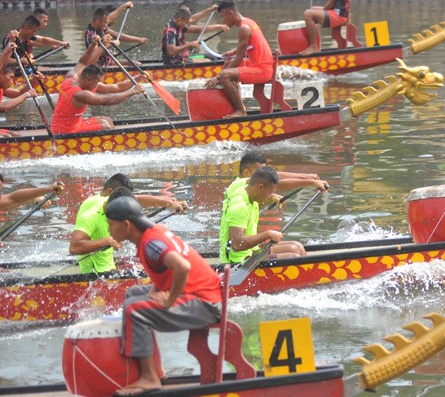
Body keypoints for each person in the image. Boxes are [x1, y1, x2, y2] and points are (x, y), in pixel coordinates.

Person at [105, 194, 221, 396]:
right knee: (133, 293)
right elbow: (167, 270)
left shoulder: (151, 244)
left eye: (111, 225)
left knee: (134, 310)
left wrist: (169, 299)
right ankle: (154, 369)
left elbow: (182, 267)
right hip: (201, 294)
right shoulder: (154, 232)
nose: (109, 230)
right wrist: (158, 290)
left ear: (126, 225)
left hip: (205, 304)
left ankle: (150, 378)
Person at [70, 173, 188, 275]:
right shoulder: (91, 215)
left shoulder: (109, 199)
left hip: (109, 266)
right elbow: (74, 247)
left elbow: (138, 199)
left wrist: (170, 203)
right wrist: (107, 241)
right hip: (94, 273)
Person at [51, 34, 146, 134]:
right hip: (64, 131)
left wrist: (137, 78)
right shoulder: (81, 94)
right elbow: (108, 100)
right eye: (96, 82)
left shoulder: (71, 77)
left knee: (107, 120)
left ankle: (113, 142)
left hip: (74, 124)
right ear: (89, 79)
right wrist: (133, 91)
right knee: (105, 126)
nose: (97, 85)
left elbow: (117, 87)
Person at [220, 166, 314, 264]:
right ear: (260, 187)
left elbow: (248, 213)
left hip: (251, 250)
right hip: (237, 260)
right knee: (293, 257)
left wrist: (269, 199)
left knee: (297, 246)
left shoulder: (250, 194)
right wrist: (268, 234)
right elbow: (237, 244)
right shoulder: (239, 207)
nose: (271, 195)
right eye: (270, 192)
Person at [205, 0, 274, 118]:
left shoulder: (244, 28)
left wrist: (219, 76)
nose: (223, 20)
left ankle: (241, 110)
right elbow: (252, 45)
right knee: (228, 63)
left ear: (230, 13)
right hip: (259, 64)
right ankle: (232, 103)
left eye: (222, 16)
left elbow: (238, 59)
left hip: (263, 70)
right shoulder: (248, 21)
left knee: (225, 75)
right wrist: (233, 52)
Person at [84, 2, 147, 67]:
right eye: (105, 23)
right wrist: (111, 44)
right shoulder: (90, 34)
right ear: (98, 22)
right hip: (99, 66)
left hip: (108, 61)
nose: (106, 24)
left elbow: (112, 20)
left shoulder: (101, 27)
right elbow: (94, 54)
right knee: (135, 65)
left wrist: (124, 6)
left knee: (137, 63)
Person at [161, 6, 228, 65]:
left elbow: (197, 27)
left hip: (183, 58)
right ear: (179, 20)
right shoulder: (170, 31)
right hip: (175, 63)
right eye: (186, 23)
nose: (187, 25)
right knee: (209, 61)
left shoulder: (178, 24)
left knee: (212, 57)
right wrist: (189, 45)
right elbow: (171, 51)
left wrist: (218, 25)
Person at [0, 41, 37, 117]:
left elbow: (20, 94)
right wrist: (27, 94)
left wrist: (34, 80)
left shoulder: (2, 89)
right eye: (11, 77)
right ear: (1, 74)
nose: (12, 82)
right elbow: (3, 107)